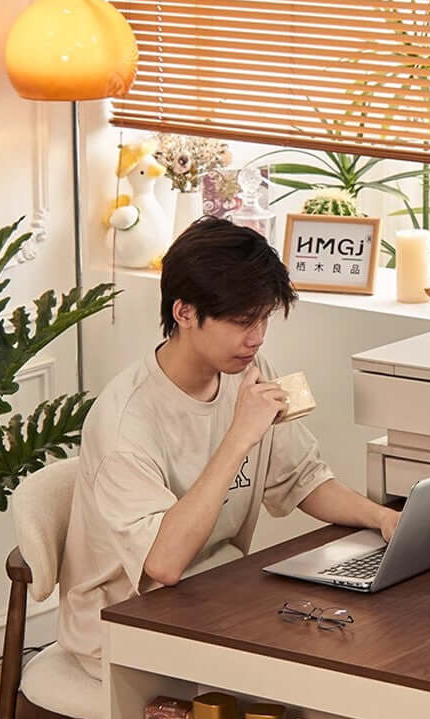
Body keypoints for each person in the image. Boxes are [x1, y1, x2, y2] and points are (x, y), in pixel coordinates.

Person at [57, 217, 400, 680]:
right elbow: (163, 565)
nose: (256, 337)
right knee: (312, 668)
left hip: (216, 589)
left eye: (263, 318)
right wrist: (240, 436)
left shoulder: (248, 371)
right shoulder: (125, 423)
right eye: (241, 322)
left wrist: (383, 519)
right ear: (184, 313)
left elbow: (303, 480)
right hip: (124, 622)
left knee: (353, 635)